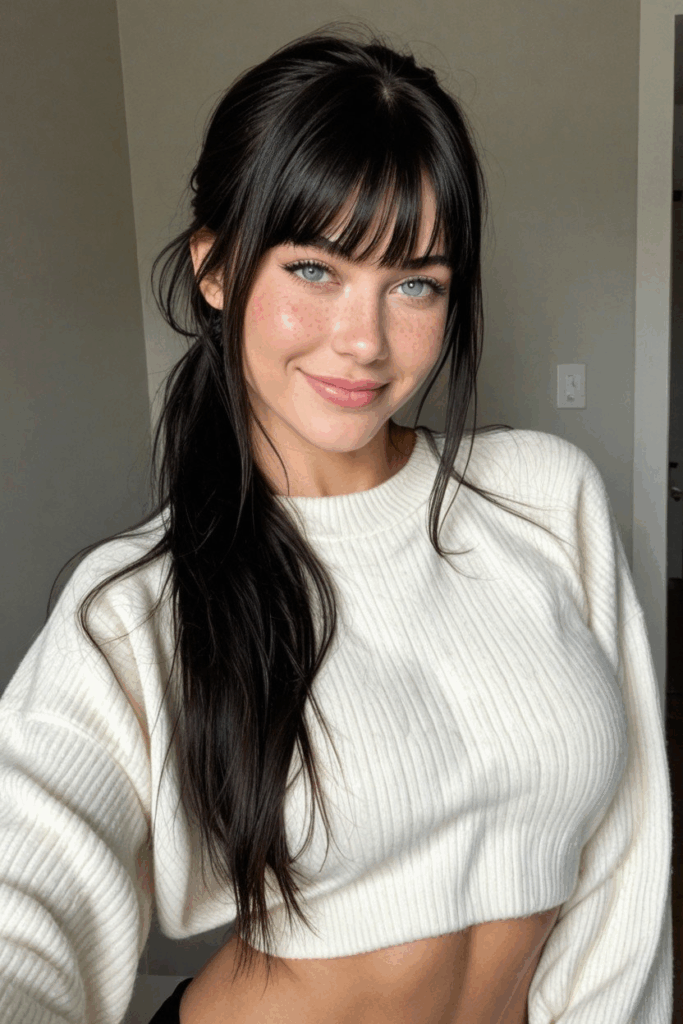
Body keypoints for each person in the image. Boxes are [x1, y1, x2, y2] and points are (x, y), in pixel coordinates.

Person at [0, 27, 673, 1024]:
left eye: (414, 283)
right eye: (315, 269)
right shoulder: (138, 606)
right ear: (217, 270)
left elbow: (628, 851)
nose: (363, 341)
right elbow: (25, 903)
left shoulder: (542, 498)